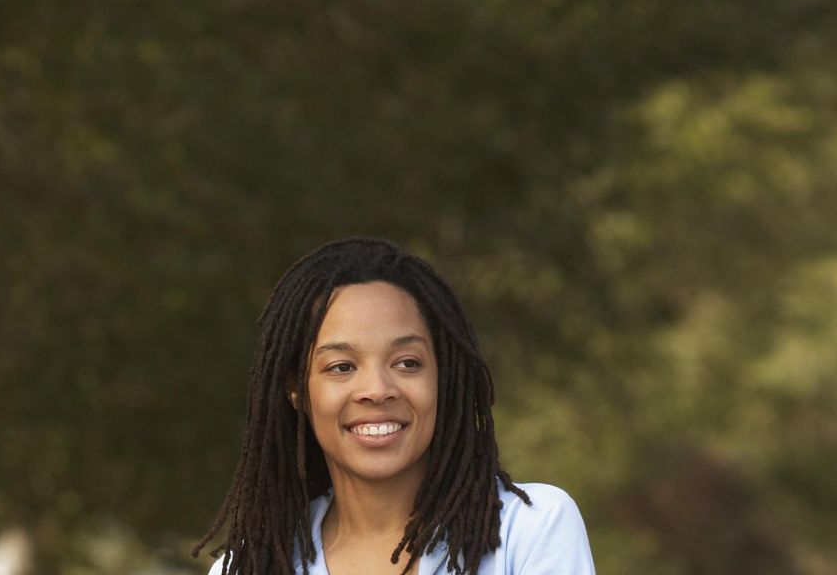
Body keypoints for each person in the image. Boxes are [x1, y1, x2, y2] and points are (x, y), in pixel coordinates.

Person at [195, 237, 596, 575]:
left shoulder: (532, 529)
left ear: (444, 377)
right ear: (297, 388)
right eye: (341, 366)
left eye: (407, 363)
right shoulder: (249, 566)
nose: (376, 389)